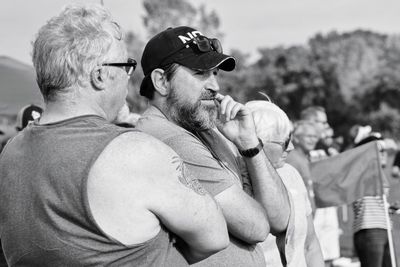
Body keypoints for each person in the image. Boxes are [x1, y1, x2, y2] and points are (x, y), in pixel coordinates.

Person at [0, 5, 228, 266]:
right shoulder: (133, 151)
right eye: (126, 66)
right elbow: (214, 236)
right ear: (99, 76)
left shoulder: (11, 153)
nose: (128, 78)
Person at [136, 26, 291, 266]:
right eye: (200, 73)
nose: (215, 86)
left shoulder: (208, 131)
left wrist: (249, 144)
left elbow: (280, 219)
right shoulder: (168, 138)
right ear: (161, 81)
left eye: (215, 73)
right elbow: (258, 227)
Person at [246, 100, 324, 267]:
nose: (291, 147)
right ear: (255, 141)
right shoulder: (231, 178)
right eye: (284, 141)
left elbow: (310, 244)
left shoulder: (291, 174)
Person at [352, 135, 392, 267]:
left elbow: (374, 201)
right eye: (380, 150)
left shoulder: (379, 173)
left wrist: (389, 207)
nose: (384, 154)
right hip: (370, 229)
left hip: (384, 227)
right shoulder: (364, 171)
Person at [286, 120, 319, 214]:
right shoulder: (292, 159)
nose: (313, 140)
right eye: (309, 136)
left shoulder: (304, 158)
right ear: (296, 138)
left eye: (315, 137)